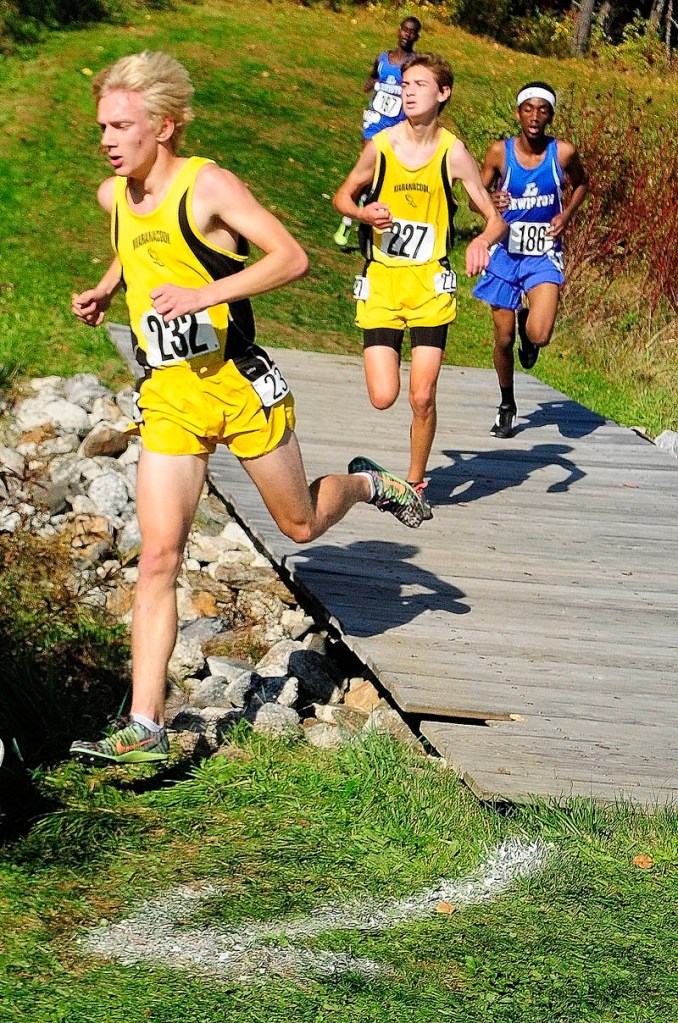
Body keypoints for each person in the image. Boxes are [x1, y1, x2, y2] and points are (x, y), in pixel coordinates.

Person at [69, 51, 428, 765]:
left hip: (237, 384)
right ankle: (144, 723)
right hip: (170, 393)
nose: (107, 139)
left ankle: (365, 483)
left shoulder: (209, 186)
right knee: (159, 557)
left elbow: (291, 257)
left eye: (121, 125)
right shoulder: (117, 196)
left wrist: (203, 296)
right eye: (102, 125)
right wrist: (111, 286)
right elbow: (139, 249)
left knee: (299, 521)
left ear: (165, 127)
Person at [332, 53, 507, 515]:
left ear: (442, 93)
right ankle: (393, 478)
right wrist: (362, 212)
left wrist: (481, 244)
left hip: (431, 284)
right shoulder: (381, 145)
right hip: (384, 283)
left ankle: (414, 485)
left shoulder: (453, 152)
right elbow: (342, 196)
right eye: (405, 84)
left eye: (420, 84)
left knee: (422, 394)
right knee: (383, 396)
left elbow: (493, 218)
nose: (408, 91)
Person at [472, 81, 588, 439]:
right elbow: (479, 192)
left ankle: (529, 328)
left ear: (551, 115)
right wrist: (493, 204)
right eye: (528, 109)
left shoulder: (563, 153)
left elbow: (582, 184)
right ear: (518, 112)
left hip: (543, 254)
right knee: (503, 339)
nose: (535, 117)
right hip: (505, 253)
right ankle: (507, 403)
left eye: (543, 110)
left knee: (540, 334)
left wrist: (566, 216)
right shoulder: (499, 153)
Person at [333, 16, 421, 248]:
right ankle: (348, 221)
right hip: (373, 122)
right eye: (404, 30)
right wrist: (370, 82)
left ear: (417, 36)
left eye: (412, 32)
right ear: (398, 31)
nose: (407, 35)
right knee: (366, 171)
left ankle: (362, 212)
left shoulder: (413, 65)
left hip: (396, 126)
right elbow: (375, 74)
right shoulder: (383, 59)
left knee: (378, 177)